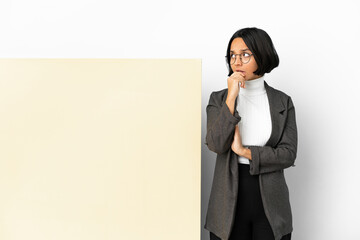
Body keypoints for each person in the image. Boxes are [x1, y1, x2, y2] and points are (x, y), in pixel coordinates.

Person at [204, 27, 297, 240]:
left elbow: (288, 154)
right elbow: (216, 144)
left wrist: (244, 151)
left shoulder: (283, 102)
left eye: (245, 55)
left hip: (272, 203)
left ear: (262, 54)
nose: (237, 62)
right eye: (232, 56)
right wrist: (231, 98)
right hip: (227, 202)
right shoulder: (218, 99)